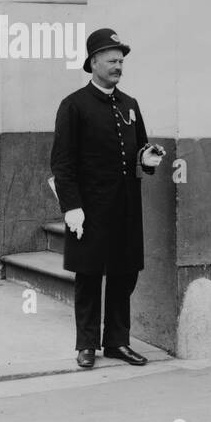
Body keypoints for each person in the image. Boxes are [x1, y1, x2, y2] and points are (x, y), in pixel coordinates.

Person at [50, 28, 164, 369]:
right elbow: (62, 163)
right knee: (88, 276)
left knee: (123, 274)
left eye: (121, 61)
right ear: (94, 62)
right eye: (112, 60)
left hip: (125, 208)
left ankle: (117, 342)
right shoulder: (73, 105)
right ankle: (86, 344)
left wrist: (147, 159)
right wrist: (71, 207)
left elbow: (140, 147)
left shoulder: (130, 104)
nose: (118, 66)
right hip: (89, 210)